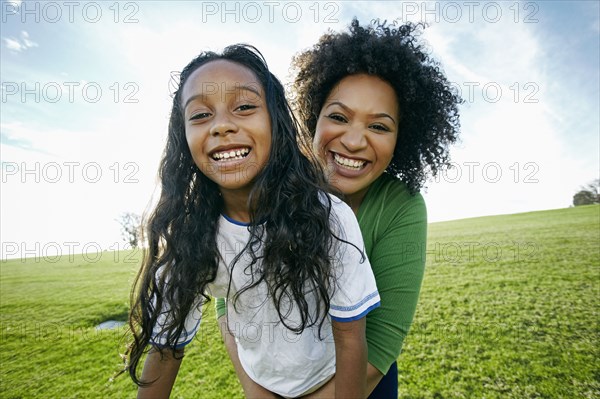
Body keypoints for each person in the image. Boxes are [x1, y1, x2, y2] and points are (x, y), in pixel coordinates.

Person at [219, 19, 461, 398]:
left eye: (379, 127)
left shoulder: (402, 207)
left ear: (402, 138)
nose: (353, 140)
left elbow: (380, 342)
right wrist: (257, 393)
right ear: (312, 117)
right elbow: (229, 300)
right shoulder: (268, 186)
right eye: (338, 117)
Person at [125, 44, 381, 399]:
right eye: (200, 115)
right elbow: (166, 350)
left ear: (275, 121)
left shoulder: (330, 216)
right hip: (260, 383)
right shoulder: (189, 234)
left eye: (244, 107)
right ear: (183, 139)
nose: (222, 126)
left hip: (328, 379)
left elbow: (351, 339)